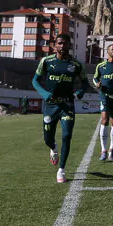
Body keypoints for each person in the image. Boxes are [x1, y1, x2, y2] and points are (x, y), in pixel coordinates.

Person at [32, 34, 90, 183]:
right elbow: (35, 80)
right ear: (54, 45)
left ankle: (61, 170)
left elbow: (85, 83)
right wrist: (45, 93)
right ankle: (53, 148)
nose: (62, 46)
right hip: (51, 106)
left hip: (67, 105)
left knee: (67, 136)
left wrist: (80, 92)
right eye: (59, 43)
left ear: (69, 45)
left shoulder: (76, 64)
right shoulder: (46, 61)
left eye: (65, 43)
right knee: (47, 138)